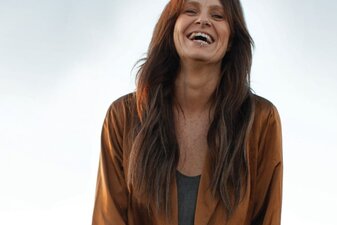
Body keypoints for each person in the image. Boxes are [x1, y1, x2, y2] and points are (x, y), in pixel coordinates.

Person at [92, 0, 283, 224]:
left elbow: (266, 218)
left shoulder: (261, 120)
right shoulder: (122, 117)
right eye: (190, 11)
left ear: (231, 39)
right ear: (172, 26)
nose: (203, 20)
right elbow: (108, 219)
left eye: (218, 16)